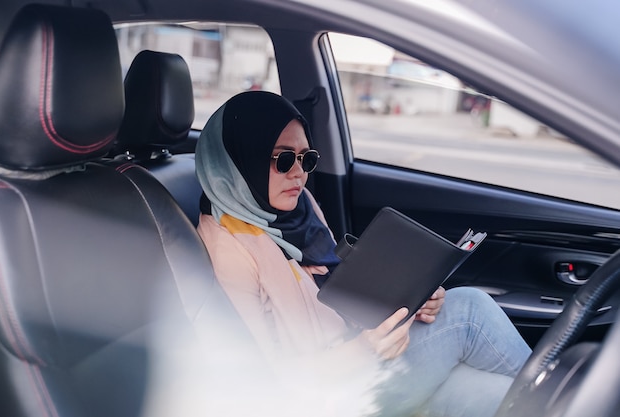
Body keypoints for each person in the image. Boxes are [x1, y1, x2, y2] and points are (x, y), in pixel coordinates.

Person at [195, 91, 531, 417]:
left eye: (306, 158)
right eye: (284, 159)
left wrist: (409, 299)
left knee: (492, 394)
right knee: (470, 310)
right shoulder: (227, 249)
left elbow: (335, 290)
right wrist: (365, 350)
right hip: (327, 395)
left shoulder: (296, 211)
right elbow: (258, 379)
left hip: (357, 354)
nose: (299, 173)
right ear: (241, 161)